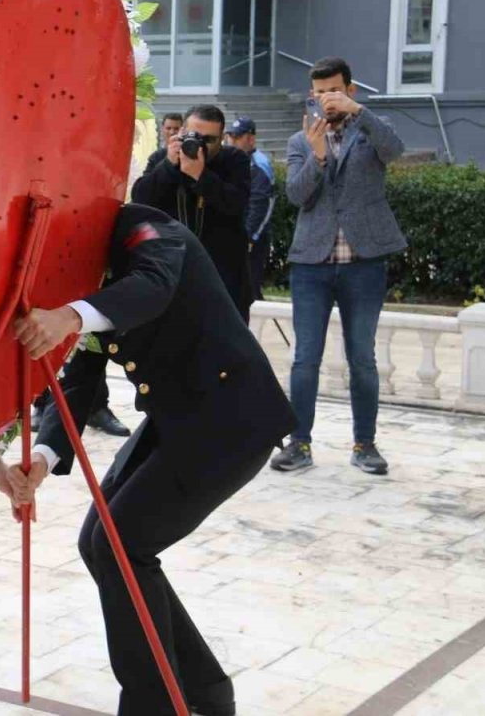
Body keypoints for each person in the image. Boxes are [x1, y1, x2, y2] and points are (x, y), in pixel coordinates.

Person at [0, 203, 295, 716]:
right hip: (178, 419)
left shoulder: (146, 230)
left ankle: (153, 704)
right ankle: (204, 690)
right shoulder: (78, 264)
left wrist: (69, 313)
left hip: (232, 421)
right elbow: (79, 377)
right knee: (101, 543)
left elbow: (153, 287)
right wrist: (43, 457)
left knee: (121, 546)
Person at [270, 56, 405, 476]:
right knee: (305, 358)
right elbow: (296, 195)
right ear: (312, 93)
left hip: (364, 263)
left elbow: (395, 150)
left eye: (335, 89)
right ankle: (300, 444)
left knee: (362, 357)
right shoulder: (300, 140)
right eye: (320, 90)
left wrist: (359, 114)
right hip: (312, 263)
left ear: (350, 89)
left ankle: (365, 444)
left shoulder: (370, 131)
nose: (327, 97)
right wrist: (318, 156)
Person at [132, 105, 253, 316]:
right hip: (173, 269)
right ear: (181, 133)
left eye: (209, 139)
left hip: (223, 273)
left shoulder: (234, 160)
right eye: (194, 136)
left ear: (222, 138)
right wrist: (170, 165)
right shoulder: (163, 158)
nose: (200, 144)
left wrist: (201, 176)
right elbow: (141, 199)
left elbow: (237, 204)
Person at [226, 116, 275, 303]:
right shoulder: (232, 160)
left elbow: (262, 205)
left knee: (250, 290)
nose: (233, 140)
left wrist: (250, 237)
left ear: (251, 139)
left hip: (253, 239)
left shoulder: (259, 164)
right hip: (235, 234)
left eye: (239, 137)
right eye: (232, 136)